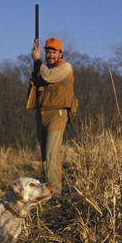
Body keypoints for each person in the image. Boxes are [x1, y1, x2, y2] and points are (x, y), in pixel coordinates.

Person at [30, 37, 77, 196]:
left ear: (60, 53)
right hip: (42, 114)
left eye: (54, 52)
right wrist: (33, 82)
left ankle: (54, 195)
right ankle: (49, 190)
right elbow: (38, 87)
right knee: (46, 157)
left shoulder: (65, 68)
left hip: (57, 115)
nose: (50, 55)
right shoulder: (44, 70)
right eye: (48, 51)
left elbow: (49, 76)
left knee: (51, 155)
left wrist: (37, 62)